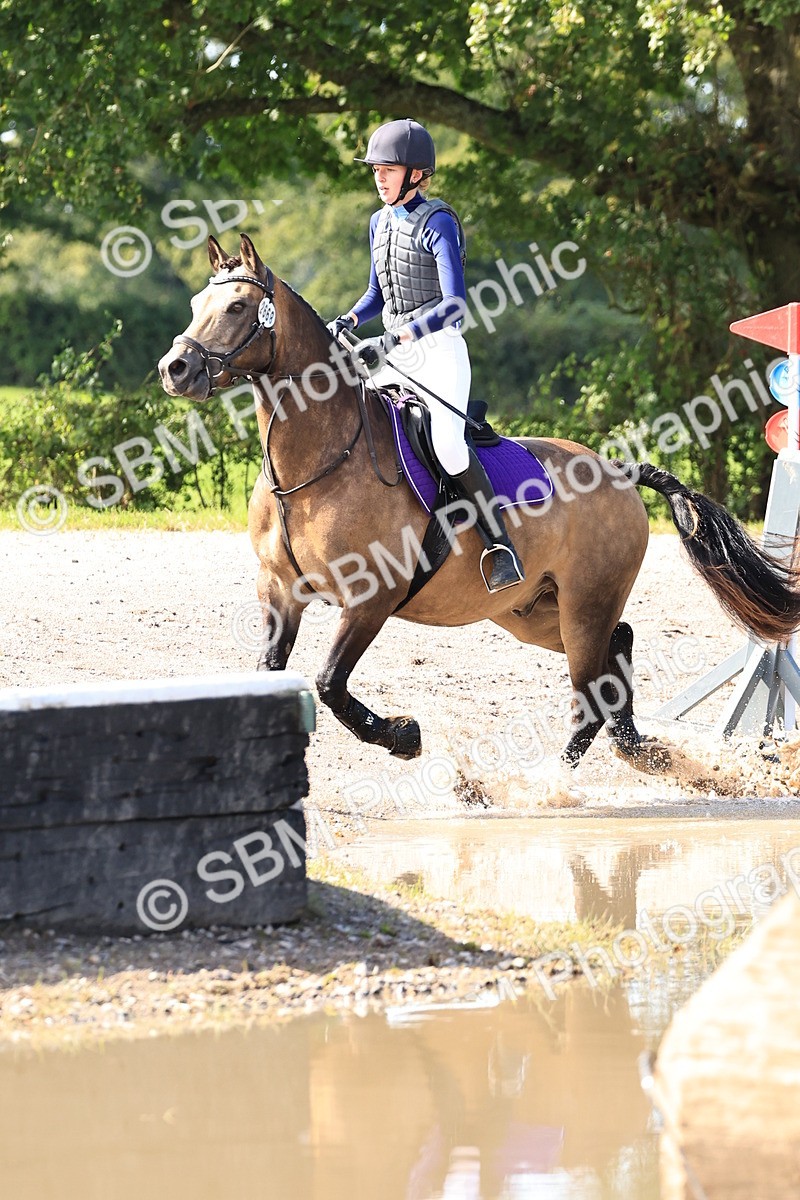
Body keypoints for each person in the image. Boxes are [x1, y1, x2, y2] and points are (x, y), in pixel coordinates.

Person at [327, 118, 525, 593]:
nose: (378, 176)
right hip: (392, 351)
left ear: (416, 174)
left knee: (450, 446)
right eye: (375, 168)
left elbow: (454, 306)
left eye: (388, 168)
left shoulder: (437, 222)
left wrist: (395, 340)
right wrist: (350, 320)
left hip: (437, 351)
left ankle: (500, 546)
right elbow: (378, 293)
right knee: (357, 426)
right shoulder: (378, 222)